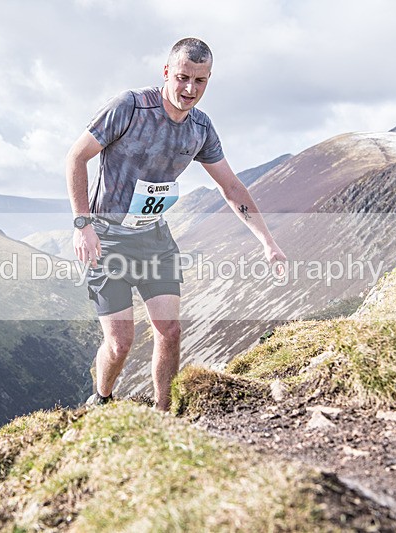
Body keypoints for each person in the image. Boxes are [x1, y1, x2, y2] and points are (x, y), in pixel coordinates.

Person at [66, 37, 286, 411]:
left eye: (200, 81)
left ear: (208, 80)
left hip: (153, 239)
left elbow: (231, 186)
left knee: (169, 330)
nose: (189, 89)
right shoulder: (130, 107)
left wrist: (267, 241)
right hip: (106, 239)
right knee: (120, 343)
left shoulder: (200, 128)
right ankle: (101, 398)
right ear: (166, 72)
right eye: (183, 77)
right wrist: (82, 224)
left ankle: (164, 414)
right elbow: (76, 157)